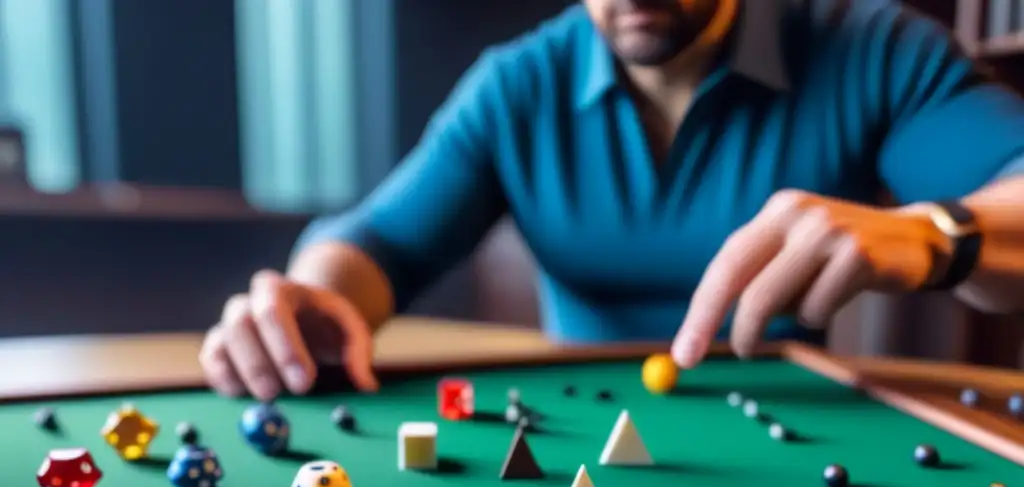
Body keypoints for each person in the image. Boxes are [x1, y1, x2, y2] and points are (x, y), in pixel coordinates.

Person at [201, 0, 1024, 402]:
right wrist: (311, 300)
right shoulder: (516, 82)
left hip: (805, 432)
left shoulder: (871, 44)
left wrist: (940, 232)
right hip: (566, 439)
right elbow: (381, 243)